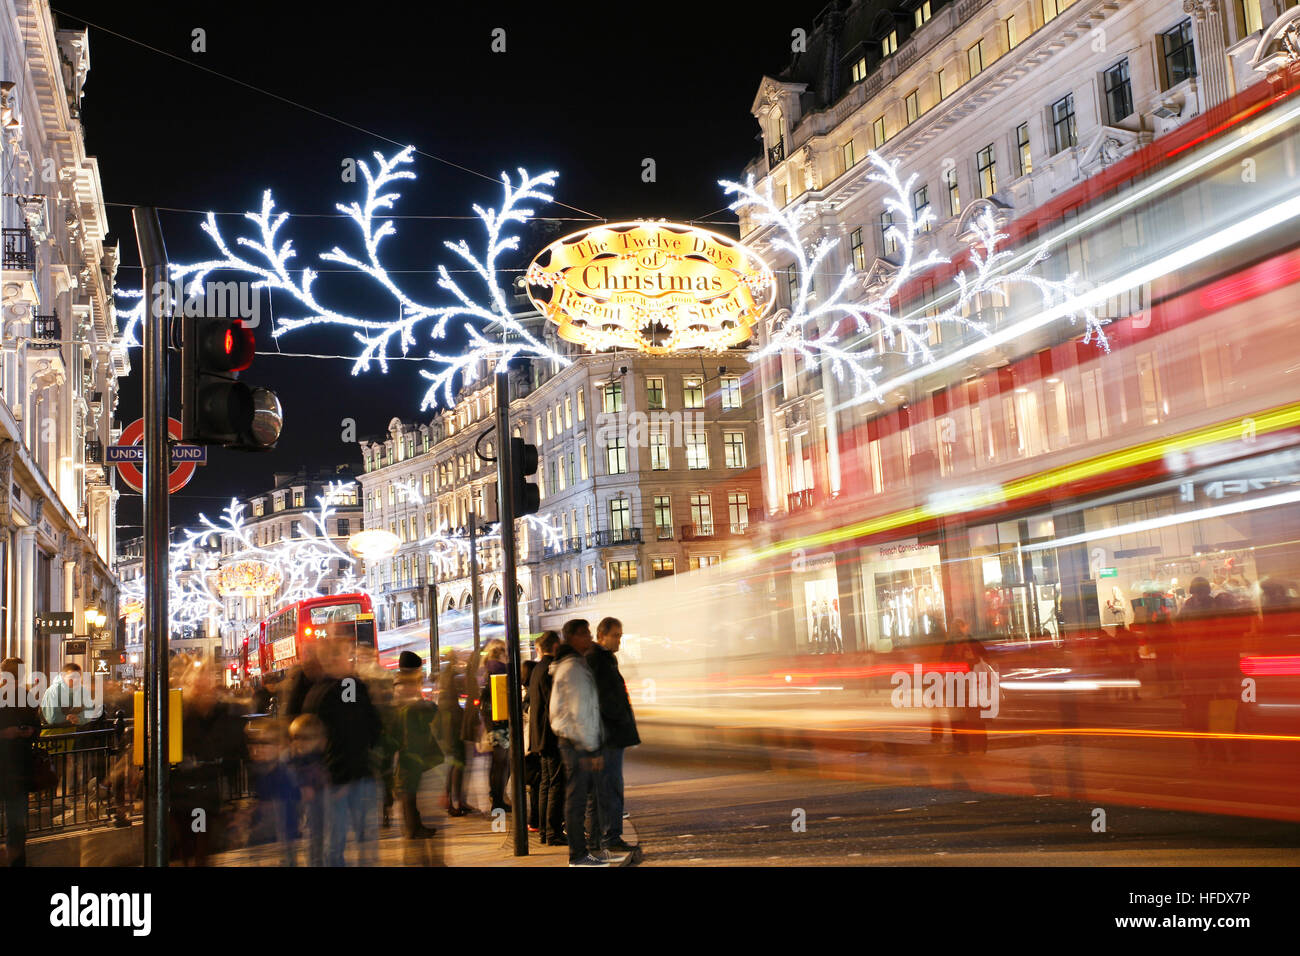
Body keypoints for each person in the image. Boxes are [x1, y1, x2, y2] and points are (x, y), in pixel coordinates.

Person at [304, 639, 384, 866]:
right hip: (341, 779)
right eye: (348, 655)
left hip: (348, 777)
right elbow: (365, 729)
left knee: (341, 843)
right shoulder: (339, 690)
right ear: (333, 660)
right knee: (345, 842)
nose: (352, 659)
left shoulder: (318, 694)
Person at [549, 618, 616, 866]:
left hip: (575, 741)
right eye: (586, 634)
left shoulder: (574, 665)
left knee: (583, 798)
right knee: (578, 800)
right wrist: (591, 747)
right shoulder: (574, 669)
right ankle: (578, 854)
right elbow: (580, 711)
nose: (589, 638)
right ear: (574, 638)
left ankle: (584, 851)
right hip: (577, 743)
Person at [170, 661, 245, 866]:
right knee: (186, 841)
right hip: (180, 788)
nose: (204, 687)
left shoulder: (221, 712)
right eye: (199, 682)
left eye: (208, 681)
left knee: (200, 838)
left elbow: (233, 745)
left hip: (203, 791)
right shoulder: (180, 711)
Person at [586, 617, 639, 855]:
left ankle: (598, 838)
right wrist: (619, 717)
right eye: (616, 635)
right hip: (608, 734)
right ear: (602, 635)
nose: (619, 639)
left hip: (606, 733)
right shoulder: (598, 660)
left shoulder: (603, 659)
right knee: (610, 786)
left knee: (602, 788)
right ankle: (610, 836)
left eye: (620, 635)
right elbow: (605, 698)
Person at [391, 651, 440, 839]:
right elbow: (416, 710)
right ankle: (413, 827)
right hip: (409, 742)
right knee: (408, 786)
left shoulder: (400, 683)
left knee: (410, 785)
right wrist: (431, 708)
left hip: (409, 741)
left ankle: (414, 824)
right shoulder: (406, 686)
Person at [527, 631, 565, 845]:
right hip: (551, 735)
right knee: (555, 784)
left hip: (539, 735)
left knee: (545, 783)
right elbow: (554, 702)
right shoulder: (550, 669)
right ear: (556, 646)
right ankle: (552, 832)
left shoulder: (537, 668)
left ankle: (544, 831)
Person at [0, 658, 39, 866]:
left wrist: (18, 733)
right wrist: (25, 733)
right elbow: (37, 728)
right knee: (16, 824)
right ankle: (16, 861)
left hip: (14, 769)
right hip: (18, 768)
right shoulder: (27, 697)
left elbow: (35, 728)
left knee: (16, 824)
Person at [288, 714, 328, 866]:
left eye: (306, 738)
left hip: (317, 805)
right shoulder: (293, 759)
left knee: (317, 839)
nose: (299, 742)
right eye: (296, 737)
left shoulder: (319, 759)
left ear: (318, 739)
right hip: (300, 807)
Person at [434, 658, 469, 816]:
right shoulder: (449, 702)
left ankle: (451, 799)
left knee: (455, 763)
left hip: (451, 734)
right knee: (457, 763)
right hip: (453, 734)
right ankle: (454, 802)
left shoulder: (445, 698)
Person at [480, 639, 511, 814]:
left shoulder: (488, 670)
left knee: (497, 762)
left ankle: (496, 796)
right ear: (500, 653)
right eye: (505, 652)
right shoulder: (499, 670)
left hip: (493, 722)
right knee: (501, 761)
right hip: (500, 723)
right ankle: (498, 801)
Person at [521, 658, 541, 832]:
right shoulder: (528, 695)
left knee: (534, 785)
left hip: (525, 745)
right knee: (536, 784)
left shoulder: (522, 693)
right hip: (530, 745)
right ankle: (534, 820)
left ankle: (534, 820)